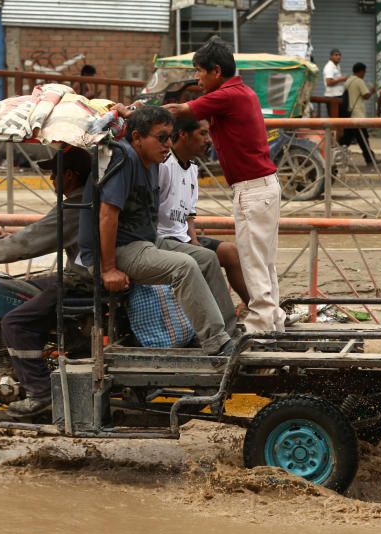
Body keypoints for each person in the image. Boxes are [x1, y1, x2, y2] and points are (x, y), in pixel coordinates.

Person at [81, 105, 237, 357]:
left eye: (170, 137)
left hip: (145, 242)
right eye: (161, 138)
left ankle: (228, 335)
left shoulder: (153, 160)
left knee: (207, 258)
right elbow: (107, 215)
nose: (167, 144)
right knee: (184, 267)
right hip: (118, 249)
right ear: (137, 138)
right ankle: (217, 343)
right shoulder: (124, 159)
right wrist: (108, 268)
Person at [0, 148, 92, 416]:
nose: (52, 180)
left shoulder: (77, 205)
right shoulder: (84, 200)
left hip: (82, 283)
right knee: (22, 286)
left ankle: (40, 393)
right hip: (78, 277)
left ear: (70, 176)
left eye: (54, 174)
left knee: (15, 322)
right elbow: (39, 232)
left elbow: (35, 239)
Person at [163, 37, 283, 335]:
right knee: (263, 262)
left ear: (216, 71)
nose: (197, 78)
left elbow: (182, 112)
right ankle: (272, 321)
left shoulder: (229, 94)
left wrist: (140, 113)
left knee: (254, 262)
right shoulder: (240, 92)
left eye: (199, 72)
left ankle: (261, 327)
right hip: (261, 187)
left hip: (253, 189)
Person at [157, 116, 250, 307]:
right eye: (202, 133)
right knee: (207, 260)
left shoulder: (192, 169)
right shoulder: (164, 165)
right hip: (163, 240)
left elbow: (189, 216)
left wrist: (194, 241)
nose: (208, 140)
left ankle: (257, 309)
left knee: (231, 252)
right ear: (183, 134)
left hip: (183, 238)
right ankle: (223, 322)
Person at [338, 62, 380, 166]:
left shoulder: (348, 81)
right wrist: (372, 91)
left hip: (349, 113)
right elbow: (366, 95)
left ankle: (335, 156)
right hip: (357, 115)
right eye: (364, 72)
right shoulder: (359, 81)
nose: (364, 74)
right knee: (363, 138)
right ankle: (370, 159)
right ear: (361, 71)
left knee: (346, 139)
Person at [322, 48, 347, 120]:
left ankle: (338, 131)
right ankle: (334, 131)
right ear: (331, 57)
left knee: (341, 117)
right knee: (334, 119)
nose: (338, 57)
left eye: (339, 55)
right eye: (336, 55)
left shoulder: (337, 66)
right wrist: (341, 79)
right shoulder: (329, 67)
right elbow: (329, 82)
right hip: (332, 97)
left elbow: (336, 79)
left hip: (338, 95)